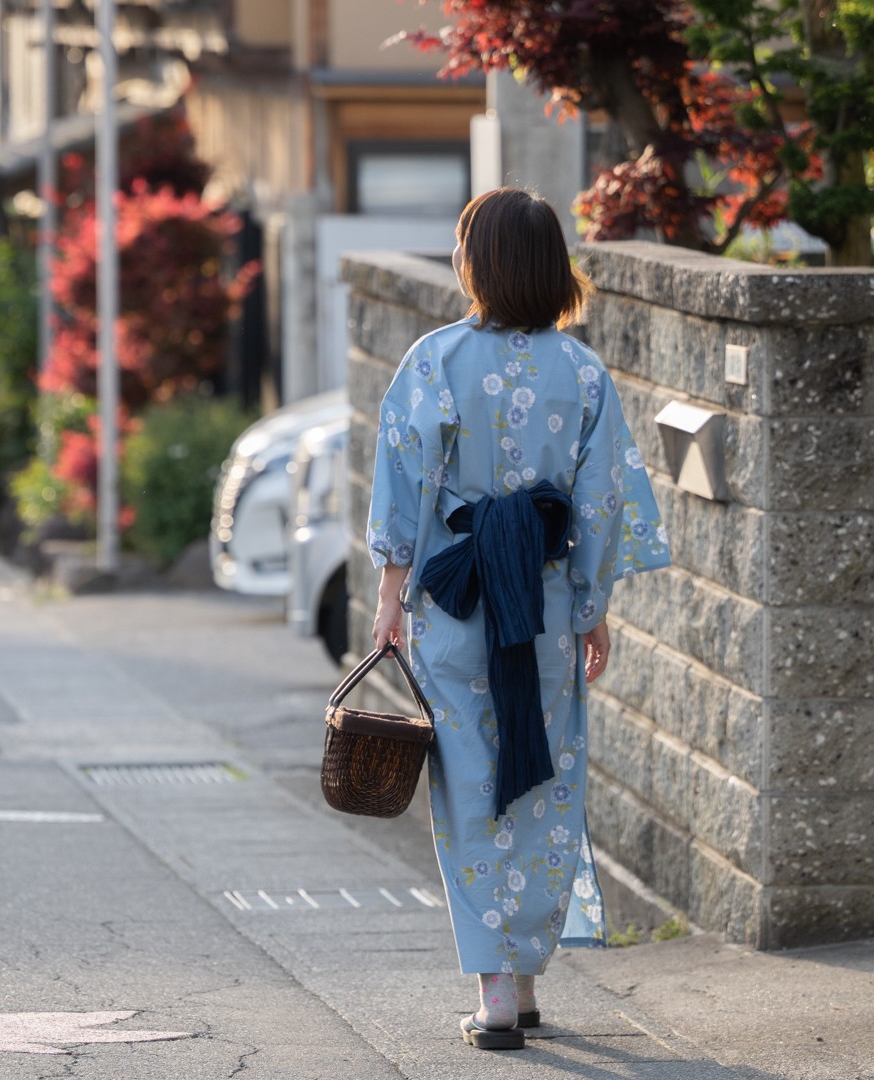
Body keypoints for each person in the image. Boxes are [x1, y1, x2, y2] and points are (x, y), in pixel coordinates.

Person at [365, 187, 671, 1051]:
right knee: (544, 783)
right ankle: (526, 977)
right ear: (549, 265)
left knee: (468, 793)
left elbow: (404, 492)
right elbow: (603, 500)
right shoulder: (582, 373)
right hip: (540, 609)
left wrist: (389, 604)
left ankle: (497, 992)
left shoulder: (435, 360)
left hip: (455, 603)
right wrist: (590, 606)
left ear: (478, 262)